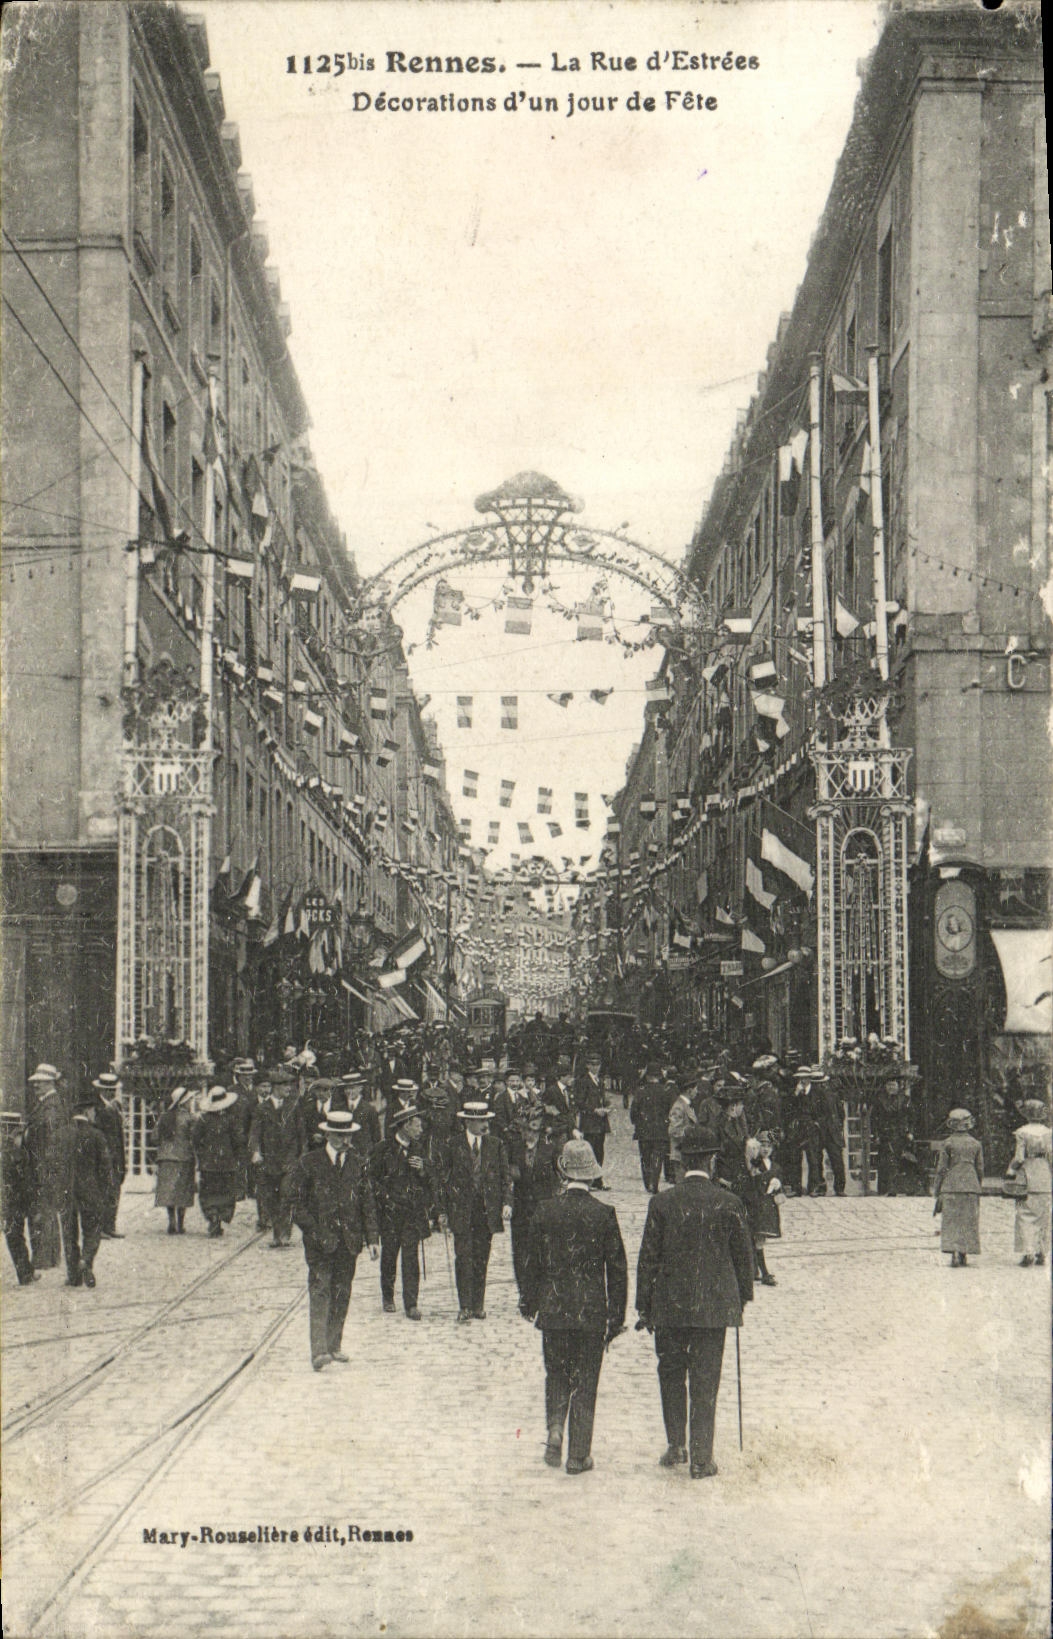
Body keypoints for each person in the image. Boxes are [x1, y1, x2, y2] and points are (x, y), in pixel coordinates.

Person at [635, 1125, 754, 1478]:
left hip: (668, 1306)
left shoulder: (662, 1202)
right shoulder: (729, 1203)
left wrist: (644, 1305)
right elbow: (743, 1258)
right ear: (712, 1160)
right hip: (713, 1308)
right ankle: (702, 1458)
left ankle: (676, 1446)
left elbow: (647, 1259)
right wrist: (742, 1299)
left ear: (681, 1162)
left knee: (671, 1374)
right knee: (706, 1379)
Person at [520, 1138, 628, 1475]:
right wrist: (616, 1317)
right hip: (592, 1313)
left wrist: (529, 1302)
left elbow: (531, 1263)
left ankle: (555, 1427)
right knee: (586, 1381)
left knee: (556, 1373)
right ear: (593, 1175)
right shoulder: (604, 1214)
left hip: (553, 1312)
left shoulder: (545, 1210)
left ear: (563, 1172)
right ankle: (578, 1454)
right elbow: (619, 1270)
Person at [284, 1107, 380, 1369]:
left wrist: (372, 1238)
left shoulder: (358, 1163)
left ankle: (334, 1344)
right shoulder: (309, 1163)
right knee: (320, 1291)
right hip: (319, 1242)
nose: (345, 1141)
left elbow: (367, 1202)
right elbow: (294, 1204)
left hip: (349, 1241)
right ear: (328, 1135)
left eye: (348, 1136)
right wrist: (314, 1232)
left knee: (342, 1292)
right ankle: (319, 1351)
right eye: (339, 1136)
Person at [439, 1100, 511, 1323]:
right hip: (461, 1211)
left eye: (486, 1120)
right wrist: (441, 1211)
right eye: (480, 1121)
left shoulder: (495, 1144)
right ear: (468, 1122)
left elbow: (505, 1177)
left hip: (485, 1211)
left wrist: (507, 1203)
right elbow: (442, 1180)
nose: (484, 1125)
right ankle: (465, 1306)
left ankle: (479, 1304)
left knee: (482, 1258)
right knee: (463, 1258)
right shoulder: (453, 1144)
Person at [369, 1105, 434, 1319]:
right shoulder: (383, 1149)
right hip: (389, 1213)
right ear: (405, 1126)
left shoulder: (420, 1148)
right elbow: (372, 1180)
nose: (421, 1129)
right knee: (389, 1256)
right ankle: (388, 1297)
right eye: (417, 1125)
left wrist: (423, 1168)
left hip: (412, 1214)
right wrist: (385, 1199)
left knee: (410, 1257)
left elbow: (431, 1179)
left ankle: (411, 1304)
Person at [507, 1100, 561, 1295]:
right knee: (520, 1250)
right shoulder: (514, 1148)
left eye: (532, 1131)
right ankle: (524, 1291)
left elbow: (559, 1178)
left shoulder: (551, 1149)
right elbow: (509, 1176)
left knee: (544, 1249)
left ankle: (543, 1290)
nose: (527, 1135)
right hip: (521, 1207)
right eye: (524, 1130)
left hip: (543, 1207)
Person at [248, 1068, 306, 1247]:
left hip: (290, 1160)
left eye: (289, 1084)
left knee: (287, 1196)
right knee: (271, 1199)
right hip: (269, 1160)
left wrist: (302, 1156)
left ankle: (284, 1234)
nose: (288, 1088)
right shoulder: (262, 1109)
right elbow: (255, 1133)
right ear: (275, 1087)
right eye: (284, 1085)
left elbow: (302, 1134)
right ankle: (276, 1233)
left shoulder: (294, 1107)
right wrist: (255, 1151)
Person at [65, 1091, 116, 1288]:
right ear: (87, 1112)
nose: (95, 1114)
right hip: (91, 1190)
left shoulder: (64, 1134)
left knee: (70, 1233)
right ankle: (86, 1260)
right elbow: (105, 1167)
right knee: (92, 1229)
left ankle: (73, 1275)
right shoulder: (96, 1135)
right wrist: (108, 1191)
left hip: (67, 1191)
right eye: (94, 1111)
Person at [24, 1063, 71, 1270]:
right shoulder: (49, 1103)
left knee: (42, 1212)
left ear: (49, 1083)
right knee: (47, 1211)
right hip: (46, 1167)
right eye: (35, 1083)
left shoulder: (50, 1106)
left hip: (43, 1167)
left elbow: (50, 1139)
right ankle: (50, 1257)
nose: (35, 1086)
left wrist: (45, 1168)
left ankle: (44, 1258)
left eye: (39, 1083)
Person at [191, 1084, 245, 1238]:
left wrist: (202, 1154)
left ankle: (212, 1216)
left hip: (208, 1163)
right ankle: (221, 1217)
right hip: (227, 1163)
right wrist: (237, 1156)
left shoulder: (203, 1120)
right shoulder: (231, 1120)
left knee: (208, 1191)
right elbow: (238, 1140)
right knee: (226, 1191)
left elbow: (195, 1140)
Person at [933, 1108, 984, 1268]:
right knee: (968, 1220)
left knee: (951, 1220)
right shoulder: (976, 1144)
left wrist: (937, 1188)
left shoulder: (947, 1143)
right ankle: (964, 1252)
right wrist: (977, 1183)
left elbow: (942, 1168)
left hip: (951, 1184)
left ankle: (953, 1252)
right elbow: (980, 1168)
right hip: (970, 1184)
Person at [1006, 1099, 1052, 1267]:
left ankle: (1028, 1252)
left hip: (1028, 1173)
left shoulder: (1022, 1132)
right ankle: (1042, 1252)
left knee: (1025, 1215)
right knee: (1044, 1216)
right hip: (1044, 1174)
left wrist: (1011, 1170)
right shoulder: (1049, 1132)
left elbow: (1019, 1157)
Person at [153, 1085, 198, 1233]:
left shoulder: (164, 1117)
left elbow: (154, 1137)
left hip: (166, 1157)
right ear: (183, 1102)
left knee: (169, 1191)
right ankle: (180, 1223)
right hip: (184, 1157)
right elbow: (195, 1138)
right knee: (182, 1191)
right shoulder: (190, 1118)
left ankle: (171, 1220)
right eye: (189, 1100)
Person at [2, 1110, 39, 1284]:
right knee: (15, 1235)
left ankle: (26, 1272)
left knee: (14, 1235)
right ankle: (26, 1274)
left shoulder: (13, 1150)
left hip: (11, 1200)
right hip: (12, 1200)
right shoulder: (15, 1151)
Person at [740, 1134, 782, 1285]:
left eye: (768, 1146)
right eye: (762, 1146)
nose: (766, 1149)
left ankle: (755, 1270)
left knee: (759, 1239)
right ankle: (763, 1272)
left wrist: (778, 1187)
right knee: (758, 1239)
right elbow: (749, 1185)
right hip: (756, 1206)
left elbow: (778, 1188)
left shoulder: (775, 1166)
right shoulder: (753, 1164)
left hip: (768, 1208)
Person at [89, 1073, 126, 1237]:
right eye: (108, 1090)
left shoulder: (115, 1107)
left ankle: (110, 1225)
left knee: (114, 1191)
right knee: (103, 1190)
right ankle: (100, 1227)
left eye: (113, 1090)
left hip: (116, 1155)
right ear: (101, 1090)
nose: (111, 1093)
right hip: (104, 1155)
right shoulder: (97, 1109)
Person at [630, 1064, 676, 1194]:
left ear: (647, 1076)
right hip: (661, 1130)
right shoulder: (666, 1091)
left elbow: (634, 1111)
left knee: (645, 1157)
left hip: (644, 1130)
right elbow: (671, 1110)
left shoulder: (640, 1091)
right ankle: (654, 1183)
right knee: (658, 1156)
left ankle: (647, 1181)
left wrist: (637, 1123)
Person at [805, 1066, 846, 1196]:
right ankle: (817, 1186)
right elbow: (806, 1113)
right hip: (816, 1131)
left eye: (821, 1082)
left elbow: (840, 1113)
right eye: (816, 1082)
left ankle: (839, 1188)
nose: (819, 1085)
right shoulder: (808, 1095)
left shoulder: (833, 1095)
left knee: (837, 1159)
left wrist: (837, 1126)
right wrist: (814, 1124)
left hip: (832, 1132)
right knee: (815, 1160)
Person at [573, 1054, 611, 1184]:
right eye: (593, 1065)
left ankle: (598, 1179)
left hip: (600, 1122)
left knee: (600, 1150)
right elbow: (579, 1101)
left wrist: (606, 1105)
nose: (596, 1067)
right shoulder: (583, 1081)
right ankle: (590, 1179)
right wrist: (594, 1110)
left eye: (598, 1065)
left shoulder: (599, 1080)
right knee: (591, 1150)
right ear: (588, 1066)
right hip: (589, 1122)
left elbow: (600, 1098)